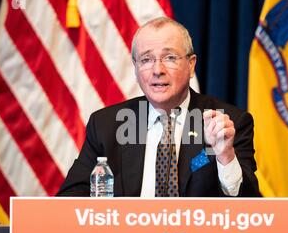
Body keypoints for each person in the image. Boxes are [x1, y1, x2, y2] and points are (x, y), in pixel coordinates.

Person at [57, 17, 260, 197]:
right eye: (146, 60)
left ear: (191, 65)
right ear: (136, 70)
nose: (157, 70)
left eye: (170, 58)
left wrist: (225, 157)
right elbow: (70, 198)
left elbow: (248, 209)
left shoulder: (227, 121)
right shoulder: (106, 125)